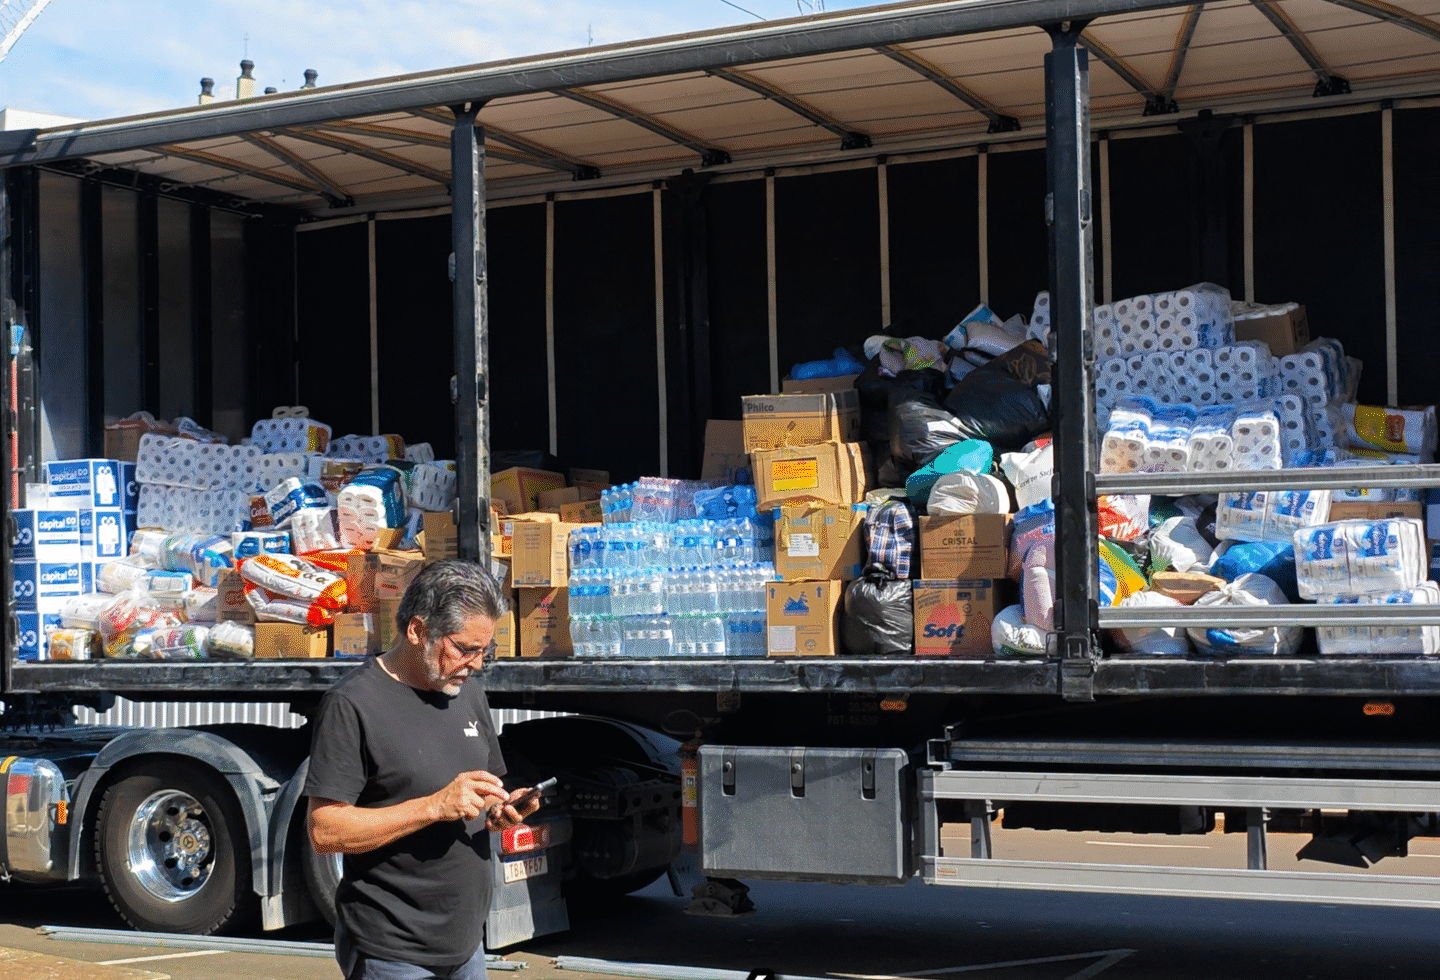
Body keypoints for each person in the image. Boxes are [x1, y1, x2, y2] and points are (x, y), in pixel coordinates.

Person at [305, 559, 540, 980]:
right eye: (465, 649)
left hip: (467, 947)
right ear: (417, 631)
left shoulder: (469, 694)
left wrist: (500, 810)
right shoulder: (353, 704)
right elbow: (325, 831)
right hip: (392, 951)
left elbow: (481, 792)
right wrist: (433, 807)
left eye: (485, 651)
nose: (477, 664)